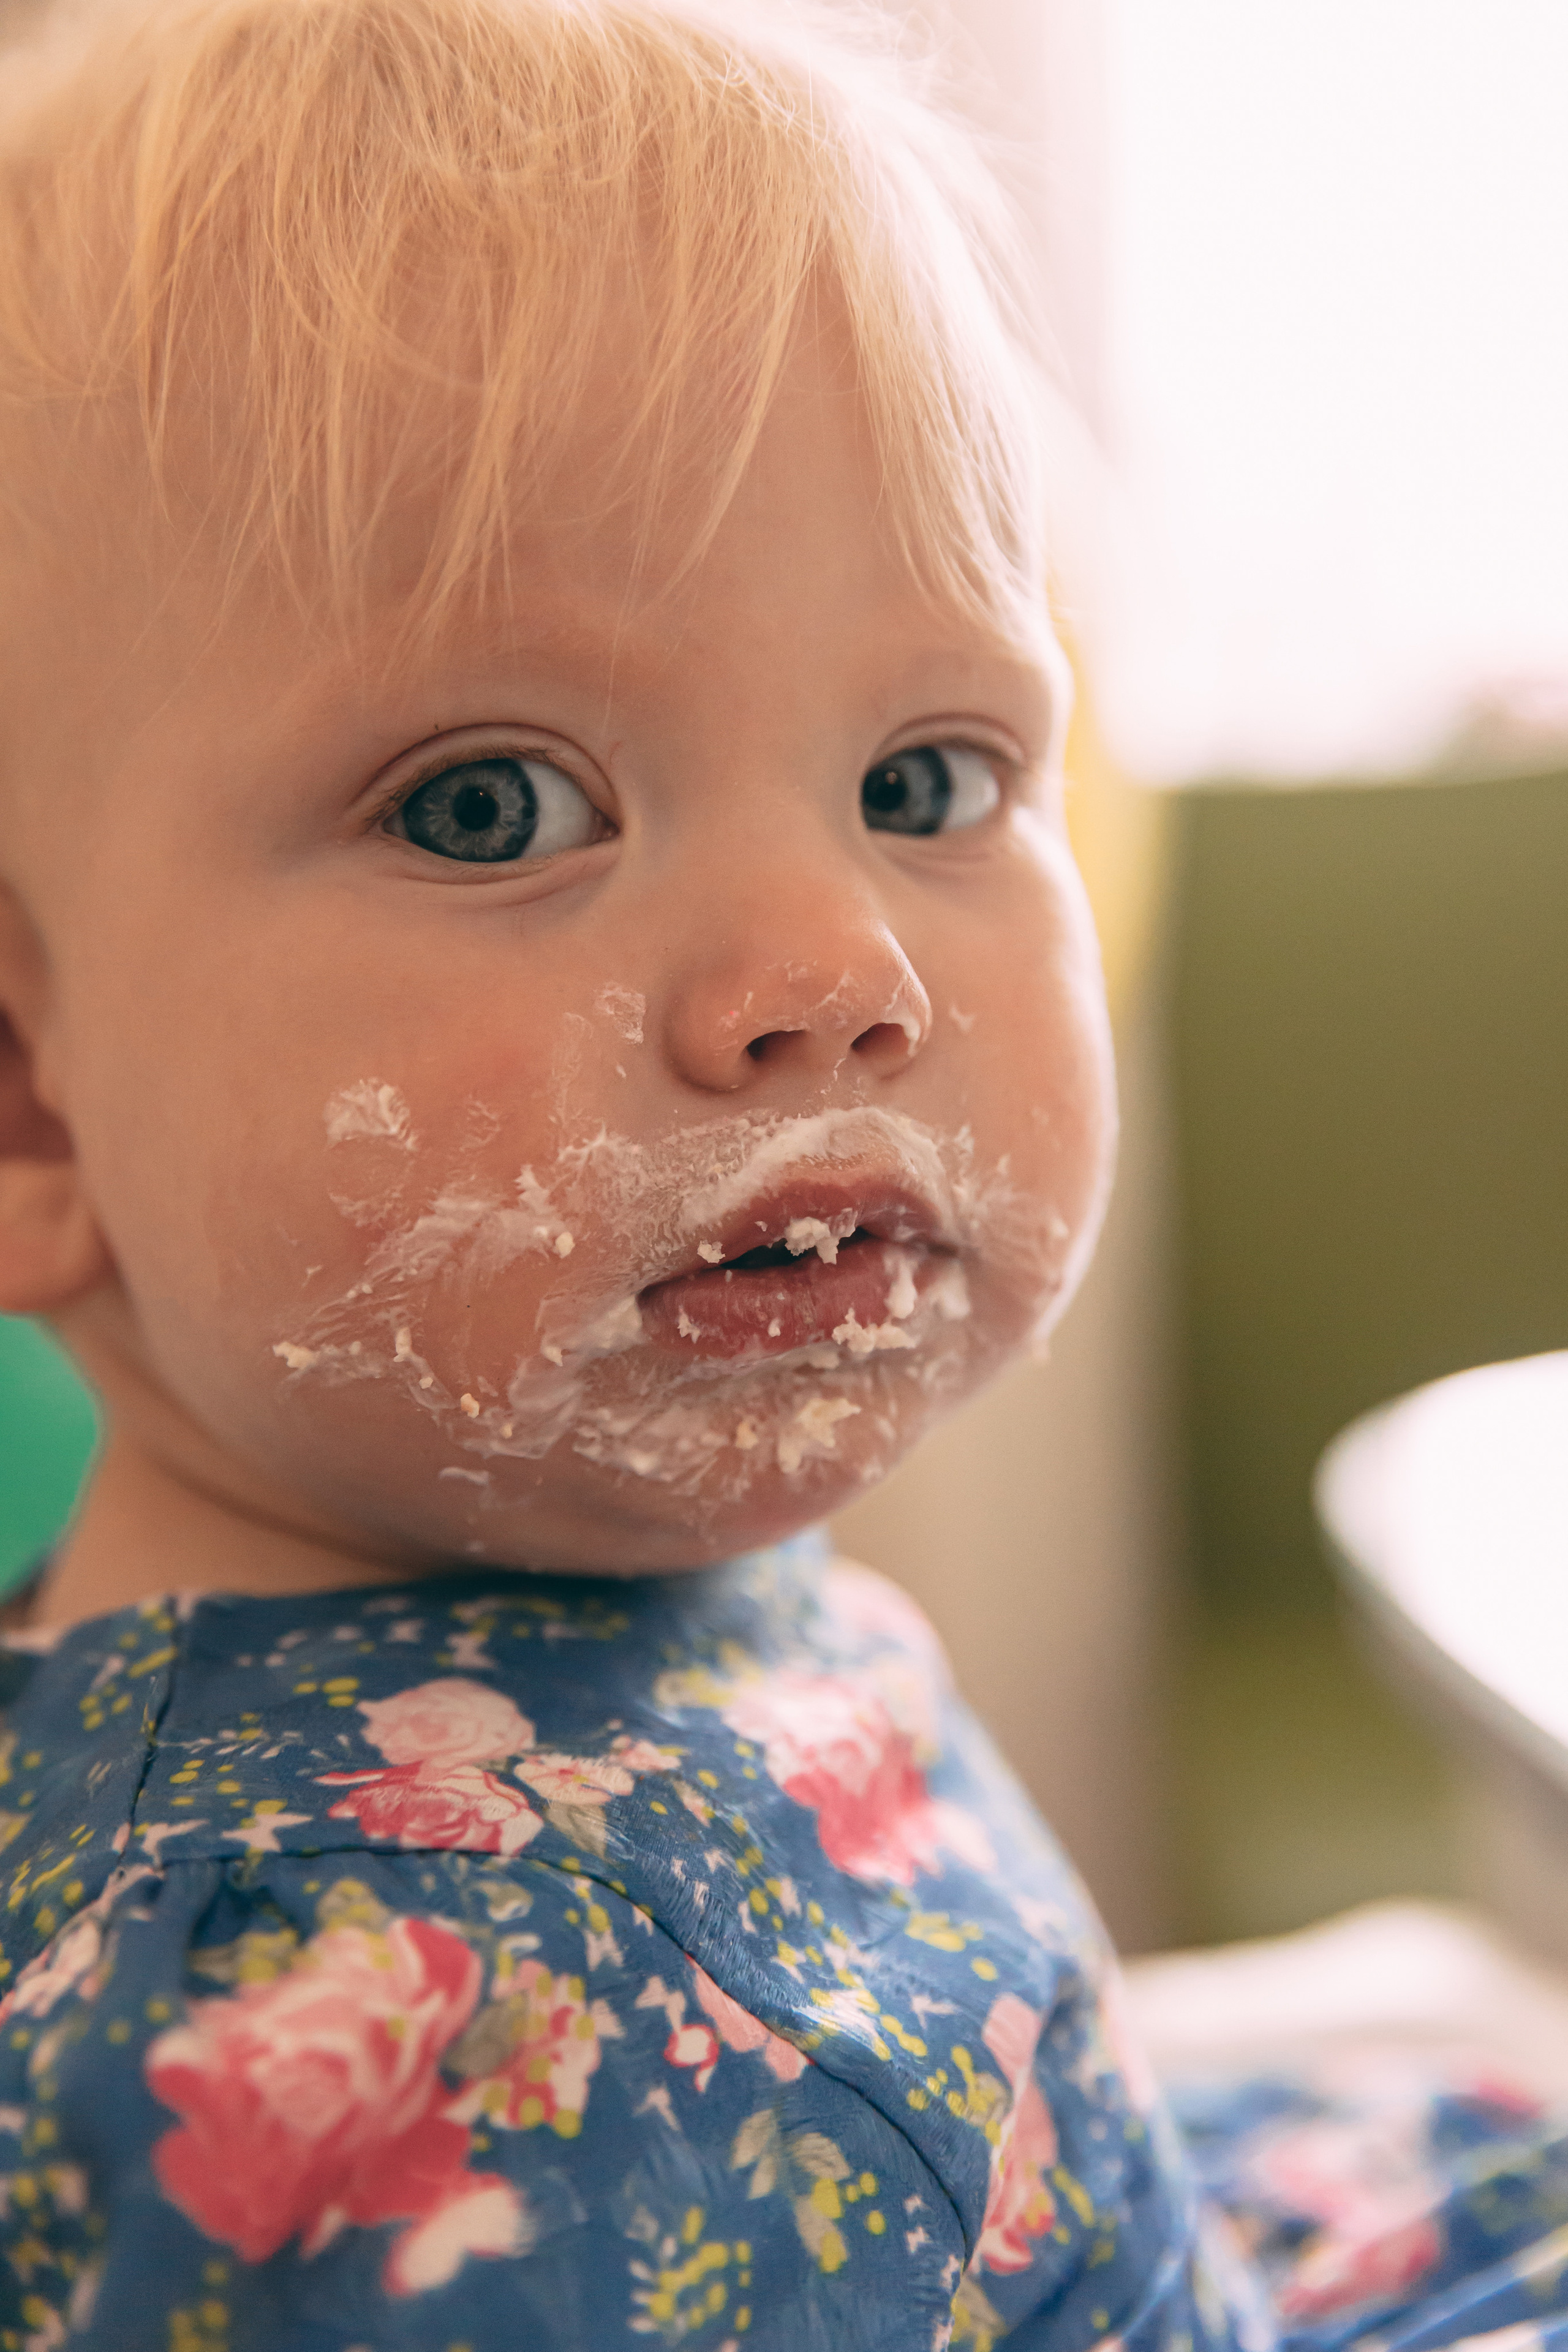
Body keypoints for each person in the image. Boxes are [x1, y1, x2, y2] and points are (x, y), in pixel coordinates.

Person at [0, 0, 1564, 2345]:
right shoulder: (400, 2068)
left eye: (929, 778)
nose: (830, 976)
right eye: (489, 804)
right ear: (30, 1098)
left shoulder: (506, 1536)